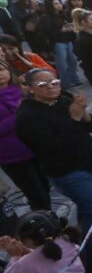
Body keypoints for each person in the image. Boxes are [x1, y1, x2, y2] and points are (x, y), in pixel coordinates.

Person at [15, 68, 92, 273]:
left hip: (90, 164)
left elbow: (91, 127)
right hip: (68, 171)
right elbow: (52, 147)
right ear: (29, 88)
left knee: (91, 209)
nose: (51, 87)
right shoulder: (28, 116)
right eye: (43, 84)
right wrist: (73, 118)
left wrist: (84, 112)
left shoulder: (63, 100)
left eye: (54, 82)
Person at [0, 60, 50, 209]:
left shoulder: (21, 90)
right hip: (12, 155)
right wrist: (18, 115)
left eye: (2, 69)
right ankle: (46, 226)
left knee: (45, 186)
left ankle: (49, 221)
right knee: (36, 194)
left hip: (34, 147)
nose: (0, 74)